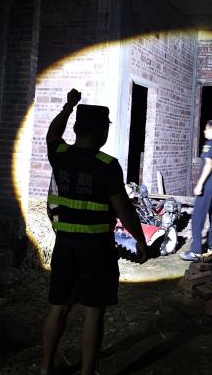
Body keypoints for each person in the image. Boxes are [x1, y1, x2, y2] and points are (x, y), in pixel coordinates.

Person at [41, 89, 148, 375]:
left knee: (58, 307)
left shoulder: (60, 155)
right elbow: (124, 211)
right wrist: (140, 240)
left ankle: (45, 369)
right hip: (97, 249)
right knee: (93, 311)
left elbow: (52, 134)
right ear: (102, 131)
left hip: (65, 245)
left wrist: (68, 106)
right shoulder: (107, 165)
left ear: (76, 128)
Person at [180, 120, 212, 261]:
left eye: (206, 129)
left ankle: (196, 252)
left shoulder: (209, 145)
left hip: (207, 188)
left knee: (197, 218)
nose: (204, 131)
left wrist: (200, 184)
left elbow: (209, 164)